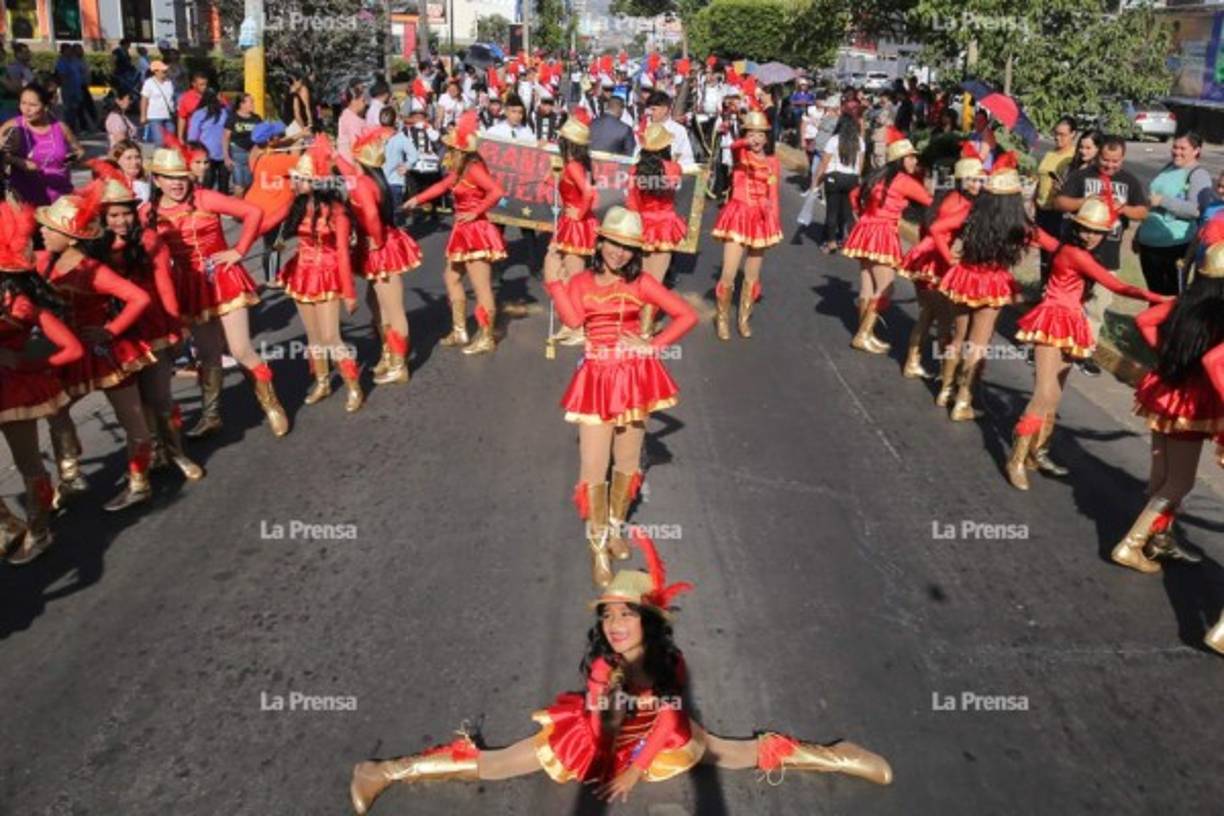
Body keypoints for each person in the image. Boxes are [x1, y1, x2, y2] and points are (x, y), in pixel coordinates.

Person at [348, 530, 892, 815]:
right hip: (598, 736)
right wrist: (605, 726)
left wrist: (634, 770)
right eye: (608, 615)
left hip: (658, 736)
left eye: (626, 614)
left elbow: (664, 723)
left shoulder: (668, 663)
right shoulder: (604, 660)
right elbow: (593, 713)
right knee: (499, 764)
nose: (614, 624)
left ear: (649, 621)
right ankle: (384, 771)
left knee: (732, 752)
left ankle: (839, 756)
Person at [543, 208, 697, 583]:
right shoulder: (580, 281)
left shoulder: (642, 282)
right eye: (614, 243)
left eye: (628, 247)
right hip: (596, 381)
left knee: (627, 463)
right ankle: (597, 547)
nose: (620, 253)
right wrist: (554, 283)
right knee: (594, 469)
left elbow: (686, 315)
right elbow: (573, 321)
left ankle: (613, 528)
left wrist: (652, 346)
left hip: (635, 379)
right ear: (600, 241)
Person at [1008, 198, 1166, 490]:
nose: (1090, 236)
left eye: (1097, 231)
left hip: (1071, 324)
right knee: (1043, 393)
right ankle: (1016, 457)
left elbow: (1036, 235)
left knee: (1054, 395)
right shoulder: (1075, 253)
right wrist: (1162, 298)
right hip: (1053, 320)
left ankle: (1036, 452)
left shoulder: (1067, 248)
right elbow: (1118, 286)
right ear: (1076, 227)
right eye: (1085, 229)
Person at [147, 139, 289, 438]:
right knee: (208, 355)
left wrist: (239, 250)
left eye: (181, 177)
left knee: (239, 349)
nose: (176, 184)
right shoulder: (148, 212)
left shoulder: (205, 198)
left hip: (223, 277)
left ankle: (271, 405)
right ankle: (211, 415)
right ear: (157, 179)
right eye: (169, 178)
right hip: (189, 286)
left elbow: (253, 213)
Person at [38, 182, 157, 512]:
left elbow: (139, 297)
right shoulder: (45, 261)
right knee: (55, 409)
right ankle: (71, 473)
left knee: (131, 420)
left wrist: (110, 330)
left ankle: (139, 483)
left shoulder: (94, 271)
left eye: (50, 227)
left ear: (71, 236)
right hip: (69, 354)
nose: (43, 232)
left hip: (107, 354)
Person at [1112, 242, 1224, 578]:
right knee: (1179, 482)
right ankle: (1131, 543)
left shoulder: (1185, 302)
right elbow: (1213, 361)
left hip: (1164, 389)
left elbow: (1144, 319)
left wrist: (1169, 354)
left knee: (1161, 476)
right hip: (1191, 402)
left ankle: (1156, 538)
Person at [90, 166, 204, 482]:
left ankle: (177, 452)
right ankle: (152, 454)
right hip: (119, 331)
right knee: (135, 405)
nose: (121, 221)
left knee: (160, 397)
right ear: (103, 217)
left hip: (153, 324)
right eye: (113, 215)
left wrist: (177, 327)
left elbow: (165, 284)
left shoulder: (149, 239)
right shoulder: (95, 248)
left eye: (125, 214)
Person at [0, 201, 83, 565]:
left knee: (29, 465)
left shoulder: (23, 303)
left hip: (16, 392)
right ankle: (8, 525)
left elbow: (71, 348)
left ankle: (39, 531)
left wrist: (27, 362)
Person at [404, 111, 507, 356]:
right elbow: (442, 186)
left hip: (476, 231)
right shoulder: (459, 169)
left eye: (450, 148)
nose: (447, 152)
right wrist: (416, 199)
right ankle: (460, 329)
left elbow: (496, 191)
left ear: (461, 151)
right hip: (462, 230)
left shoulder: (473, 168)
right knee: (451, 278)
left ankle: (486, 336)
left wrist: (476, 212)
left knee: (481, 287)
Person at [937, 155, 1031, 421]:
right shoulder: (1019, 226)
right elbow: (1047, 245)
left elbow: (937, 227)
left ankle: (945, 390)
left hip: (963, 277)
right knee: (977, 345)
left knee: (958, 338)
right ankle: (963, 402)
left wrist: (948, 256)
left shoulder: (972, 213)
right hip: (991, 283)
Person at [279, 136, 362, 412]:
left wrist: (349, 293)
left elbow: (341, 252)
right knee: (313, 336)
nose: (295, 183)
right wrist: (241, 246)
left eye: (300, 178)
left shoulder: (337, 211)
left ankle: (353, 386)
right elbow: (265, 218)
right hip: (301, 272)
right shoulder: (299, 204)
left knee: (330, 337)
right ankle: (323, 382)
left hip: (327, 274)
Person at [1054, 135, 1149, 377]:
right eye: (1105, 160)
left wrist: (1124, 208)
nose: (1109, 166)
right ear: (1098, 155)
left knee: (1097, 308)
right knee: (1069, 303)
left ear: (1123, 158)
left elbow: (1142, 211)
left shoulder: (1129, 181)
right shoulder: (1083, 176)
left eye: (1115, 162)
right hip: (1077, 254)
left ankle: (1083, 353)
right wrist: (1083, 202)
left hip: (1108, 255)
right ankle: (1056, 343)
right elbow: (1060, 202)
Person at [337, 126, 422, 386]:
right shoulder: (367, 178)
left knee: (393, 309)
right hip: (376, 245)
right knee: (375, 301)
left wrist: (375, 239)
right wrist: (332, 156)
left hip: (381, 247)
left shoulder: (364, 184)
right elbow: (349, 172)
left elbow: (373, 217)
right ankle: (388, 352)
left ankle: (400, 364)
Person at [842, 127, 932, 353]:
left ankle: (864, 332)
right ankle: (863, 334)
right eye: (911, 157)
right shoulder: (904, 181)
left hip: (863, 231)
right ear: (901, 160)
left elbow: (854, 195)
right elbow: (930, 202)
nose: (914, 161)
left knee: (867, 286)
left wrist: (859, 214)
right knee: (886, 288)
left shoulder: (877, 174)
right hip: (882, 233)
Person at [898, 142, 982, 384]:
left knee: (929, 315)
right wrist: (949, 259)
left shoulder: (949, 197)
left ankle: (914, 361)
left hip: (926, 261)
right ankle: (947, 375)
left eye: (980, 181)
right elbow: (936, 231)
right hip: (935, 266)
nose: (978, 185)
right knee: (944, 321)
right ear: (963, 180)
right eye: (974, 181)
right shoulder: (959, 203)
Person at [709, 111, 782, 341]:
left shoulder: (773, 163)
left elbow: (774, 194)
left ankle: (743, 318)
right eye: (752, 133)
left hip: (761, 221)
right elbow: (731, 147)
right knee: (729, 273)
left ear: (768, 138)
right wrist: (744, 141)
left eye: (761, 134)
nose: (757, 139)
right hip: (739, 215)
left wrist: (773, 220)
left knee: (752, 275)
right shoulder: (741, 155)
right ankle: (722, 319)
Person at [627, 125, 688, 339]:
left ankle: (637, 322)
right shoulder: (674, 169)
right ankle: (646, 327)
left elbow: (632, 205)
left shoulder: (634, 171)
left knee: (642, 278)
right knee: (656, 280)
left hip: (643, 226)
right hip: (664, 227)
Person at [544, 108, 599, 346]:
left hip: (576, 225)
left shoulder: (575, 166)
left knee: (575, 277)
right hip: (569, 223)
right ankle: (569, 322)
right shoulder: (571, 164)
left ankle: (580, 327)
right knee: (559, 270)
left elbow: (589, 192)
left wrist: (579, 213)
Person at [1135, 131, 1212, 296]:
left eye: (1183, 148)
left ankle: (1172, 323)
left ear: (1196, 150)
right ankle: (1154, 323)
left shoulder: (1198, 175)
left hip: (1175, 245)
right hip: (1149, 243)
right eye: (1175, 147)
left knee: (1172, 297)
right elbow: (1151, 204)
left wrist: (1164, 201)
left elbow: (1196, 210)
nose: (1177, 152)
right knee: (1154, 293)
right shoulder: (1168, 168)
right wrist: (1139, 233)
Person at [1, 84, 83, 207]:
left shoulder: (60, 127)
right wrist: (19, 161)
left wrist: (74, 157)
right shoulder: (13, 126)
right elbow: (1, 155)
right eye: (23, 103)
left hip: (61, 199)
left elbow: (79, 150)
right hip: (25, 200)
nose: (26, 109)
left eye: (33, 105)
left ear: (45, 107)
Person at [1033, 117, 1077, 283]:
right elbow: (1041, 178)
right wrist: (1034, 199)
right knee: (1044, 252)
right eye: (1056, 134)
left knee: (1056, 253)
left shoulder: (1072, 157)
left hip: (1058, 212)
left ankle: (1054, 287)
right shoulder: (1050, 154)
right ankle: (1043, 287)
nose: (1058, 138)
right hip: (1042, 209)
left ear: (1073, 134)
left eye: (1063, 135)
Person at [812, 113, 863, 254]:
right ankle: (847, 240)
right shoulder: (859, 141)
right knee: (847, 211)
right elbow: (860, 165)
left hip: (834, 177)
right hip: (851, 178)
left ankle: (831, 242)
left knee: (832, 211)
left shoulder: (834, 140)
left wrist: (816, 182)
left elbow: (824, 164)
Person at [187, 89, 231, 192]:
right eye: (220, 96)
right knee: (224, 187)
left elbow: (193, 136)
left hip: (207, 154)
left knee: (207, 186)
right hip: (223, 153)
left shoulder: (199, 114)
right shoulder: (225, 112)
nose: (222, 98)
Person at [224, 94, 261, 198]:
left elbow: (262, 135)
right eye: (250, 102)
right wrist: (227, 157)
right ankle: (238, 210)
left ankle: (247, 208)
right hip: (238, 153)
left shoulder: (256, 118)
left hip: (253, 154)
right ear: (242, 104)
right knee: (239, 186)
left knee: (250, 184)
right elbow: (225, 138)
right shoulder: (233, 118)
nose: (253, 104)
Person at [643, 91, 694, 166]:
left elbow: (687, 159)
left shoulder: (678, 130)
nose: (650, 113)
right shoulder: (643, 126)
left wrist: (673, 168)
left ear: (665, 109)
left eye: (654, 109)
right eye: (649, 109)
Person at [139, 60, 176, 147]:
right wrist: (143, 116)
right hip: (155, 116)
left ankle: (167, 158)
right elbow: (144, 100)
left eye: (166, 71)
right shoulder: (149, 83)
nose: (165, 73)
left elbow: (172, 98)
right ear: (155, 71)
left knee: (171, 140)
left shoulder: (169, 82)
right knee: (160, 141)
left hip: (169, 116)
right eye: (163, 71)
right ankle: (159, 157)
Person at [111, 138, 151, 203]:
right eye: (128, 158)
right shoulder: (112, 185)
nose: (135, 162)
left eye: (137, 157)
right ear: (117, 161)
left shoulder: (147, 178)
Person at [337, 83, 368, 162]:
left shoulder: (346, 113)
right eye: (363, 101)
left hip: (344, 160)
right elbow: (356, 146)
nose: (365, 104)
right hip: (353, 163)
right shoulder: (353, 120)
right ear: (354, 101)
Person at [176, 71, 209, 140]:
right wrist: (180, 137)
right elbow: (182, 118)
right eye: (201, 84)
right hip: (193, 136)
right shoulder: (186, 98)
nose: (205, 87)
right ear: (193, 84)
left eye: (206, 84)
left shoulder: (212, 96)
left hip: (209, 136)